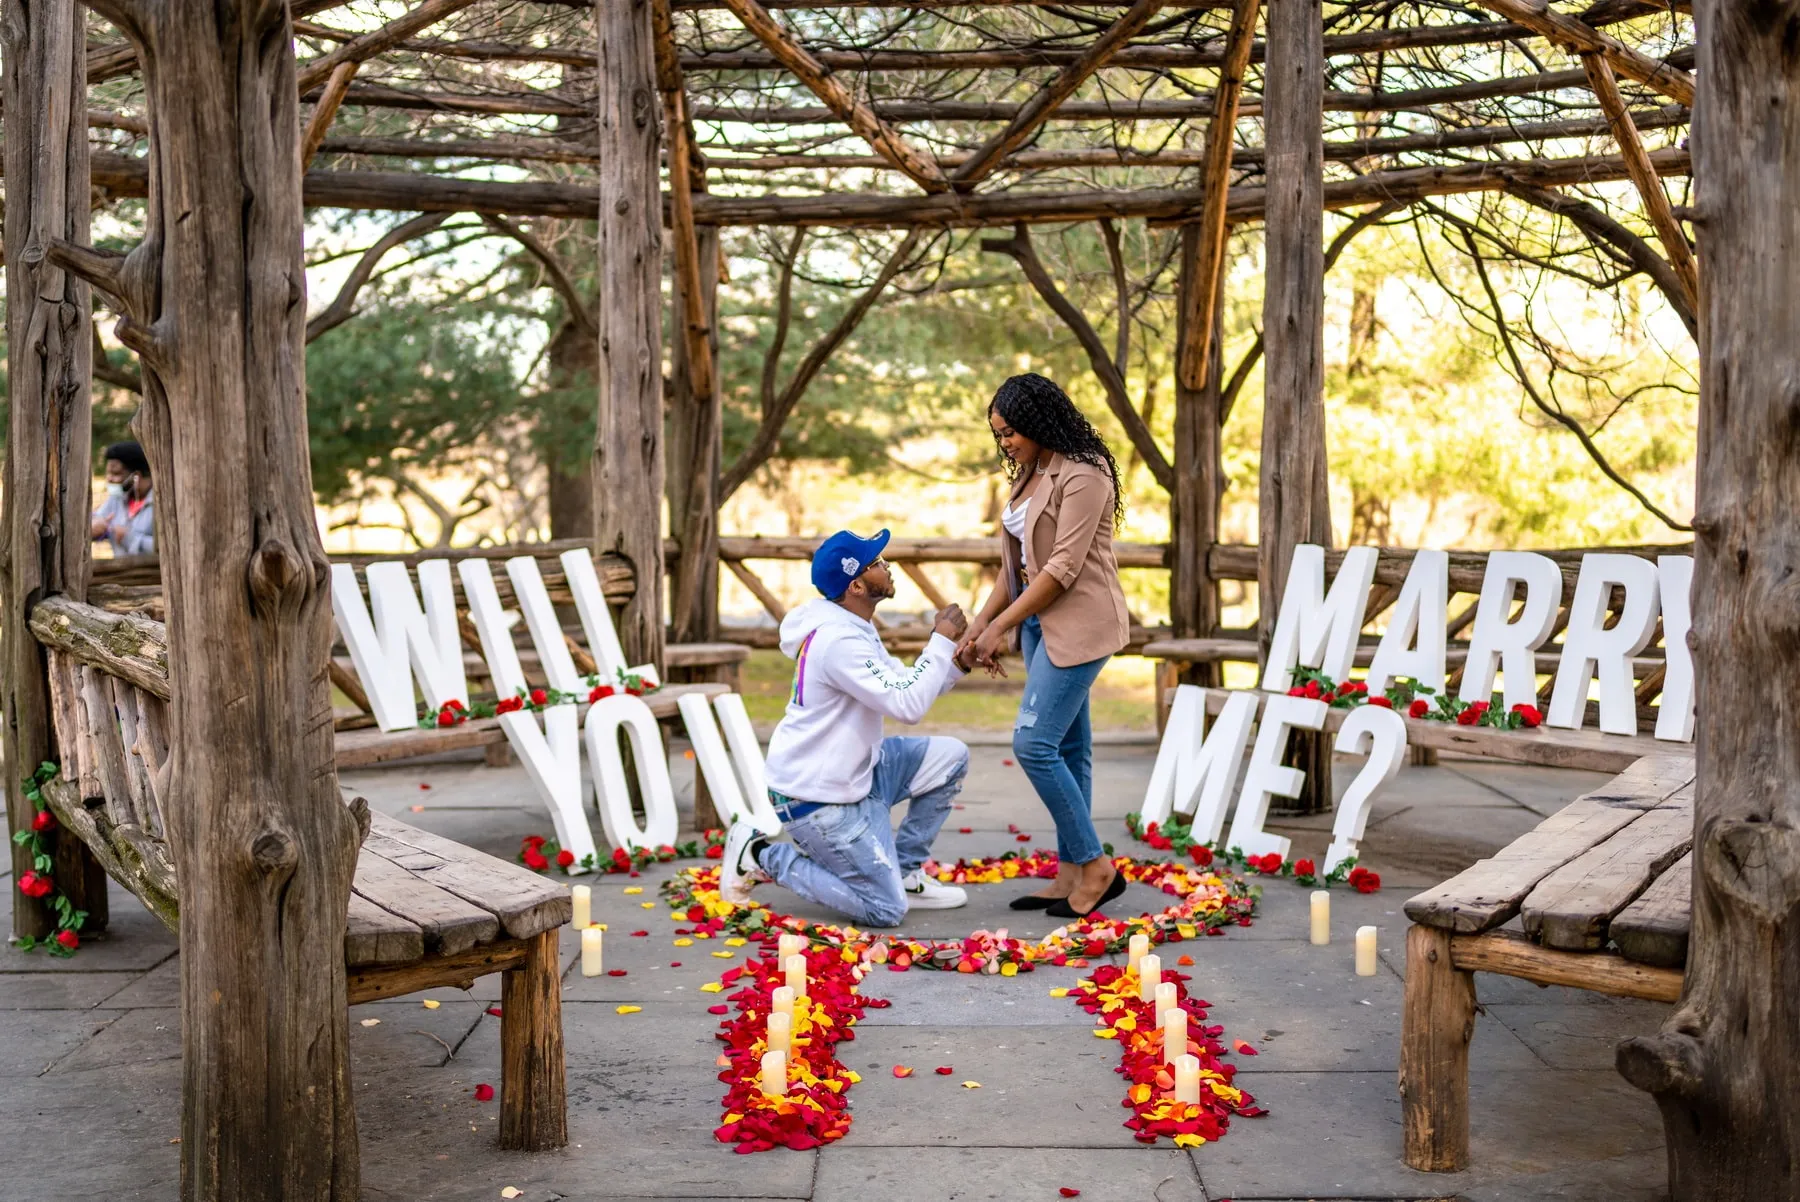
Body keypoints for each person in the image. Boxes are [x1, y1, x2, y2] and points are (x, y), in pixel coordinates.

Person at [721, 528, 976, 926]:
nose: (887, 567)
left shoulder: (854, 626)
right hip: (818, 802)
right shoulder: (838, 641)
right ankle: (760, 856)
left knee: (951, 756)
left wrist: (957, 663)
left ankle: (906, 873)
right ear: (856, 585)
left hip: (857, 774)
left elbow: (904, 685)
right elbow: (907, 706)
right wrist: (940, 641)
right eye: (877, 563)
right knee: (885, 910)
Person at [961, 373, 1131, 919]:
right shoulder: (1030, 471)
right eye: (999, 434)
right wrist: (981, 622)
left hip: (1082, 625)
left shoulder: (1085, 473)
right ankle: (1071, 872)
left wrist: (999, 629)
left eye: (1011, 431)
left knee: (1033, 744)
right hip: (1038, 624)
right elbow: (1016, 566)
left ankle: (1096, 867)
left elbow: (1061, 569)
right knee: (1069, 748)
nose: (1005, 442)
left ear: (1038, 421)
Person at [90, 441, 155, 555]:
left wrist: (129, 538)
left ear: (136, 476)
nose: (109, 479)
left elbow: (170, 547)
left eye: (116, 474)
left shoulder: (161, 504)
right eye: (108, 474)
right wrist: (95, 525)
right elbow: (97, 519)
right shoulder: (116, 499)